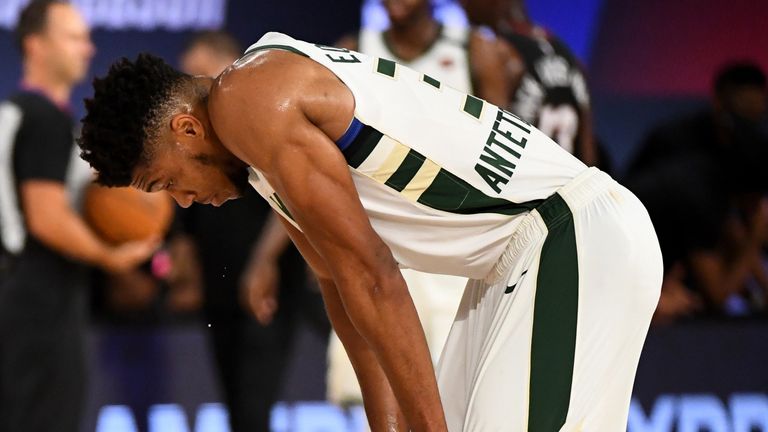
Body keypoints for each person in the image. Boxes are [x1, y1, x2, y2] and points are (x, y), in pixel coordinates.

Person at [78, 32, 663, 431]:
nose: (184, 201)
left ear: (186, 128)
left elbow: (376, 276)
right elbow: (338, 282)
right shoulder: (252, 139)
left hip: (566, 233)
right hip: (511, 263)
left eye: (163, 183)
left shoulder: (247, 100)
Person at [326, 0, 508, 406]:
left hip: (450, 247)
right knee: (370, 391)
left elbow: (505, 157)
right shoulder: (355, 48)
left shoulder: (473, 49)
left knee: (456, 391)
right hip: (380, 241)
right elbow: (318, 160)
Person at [0, 1, 155, 431]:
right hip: (38, 302)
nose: (88, 49)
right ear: (36, 46)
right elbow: (46, 217)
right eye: (73, 37)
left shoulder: (17, 110)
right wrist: (113, 258)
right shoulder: (44, 119)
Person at [177, 31, 330, 431]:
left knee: (251, 407)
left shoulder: (260, 114)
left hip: (269, 281)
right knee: (236, 409)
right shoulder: (197, 139)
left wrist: (264, 261)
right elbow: (186, 218)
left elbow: (291, 194)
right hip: (218, 284)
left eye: (197, 75)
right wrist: (186, 268)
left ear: (229, 67)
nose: (189, 89)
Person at [625, 62, 768, 321]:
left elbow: (727, 227)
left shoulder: (713, 174)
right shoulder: (690, 173)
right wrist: (755, 238)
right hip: (623, 271)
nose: (750, 118)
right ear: (719, 102)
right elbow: (716, 297)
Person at [461, 0, 600, 167]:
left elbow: (493, 141)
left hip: (521, 183)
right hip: (567, 183)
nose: (462, 4)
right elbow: (588, 145)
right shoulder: (564, 50)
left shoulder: (496, 52)